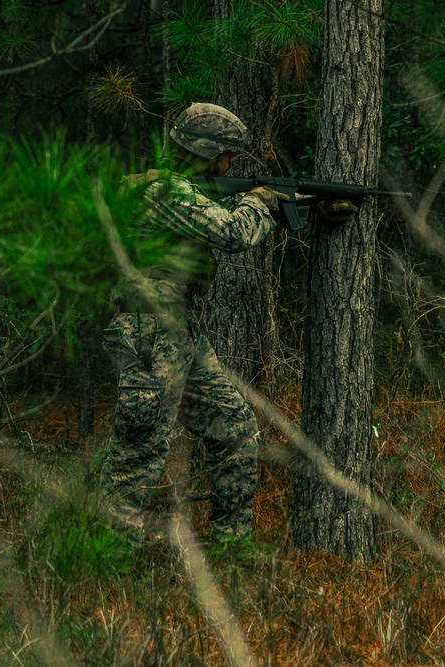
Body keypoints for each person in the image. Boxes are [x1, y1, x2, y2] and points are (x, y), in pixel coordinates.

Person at [101, 102, 355, 544]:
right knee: (138, 450)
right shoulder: (165, 193)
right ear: (209, 153)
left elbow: (225, 213)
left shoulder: (181, 191)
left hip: (178, 330)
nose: (230, 165)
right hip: (149, 333)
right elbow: (233, 231)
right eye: (228, 156)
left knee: (233, 427)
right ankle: (106, 559)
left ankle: (231, 547)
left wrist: (308, 204)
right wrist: (259, 200)